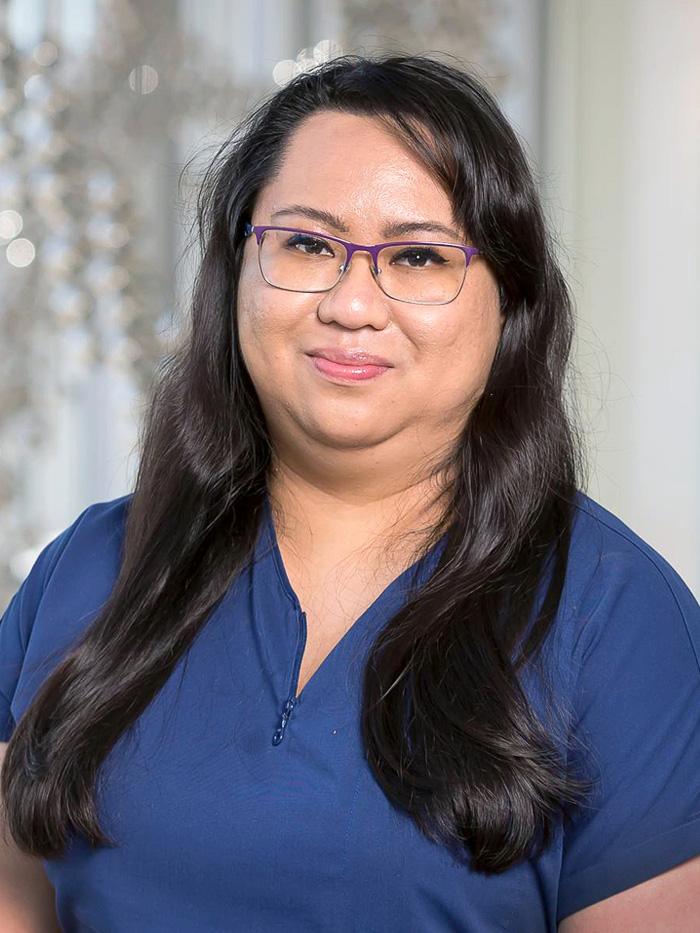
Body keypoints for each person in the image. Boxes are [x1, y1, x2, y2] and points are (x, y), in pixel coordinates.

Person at [1, 51, 699, 933]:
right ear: (236, 273)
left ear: (509, 303)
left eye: (415, 257)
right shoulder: (88, 568)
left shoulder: (616, 617)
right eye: (305, 243)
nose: (352, 303)